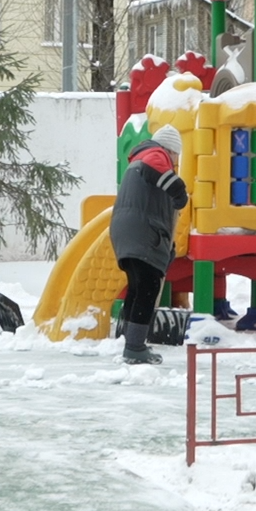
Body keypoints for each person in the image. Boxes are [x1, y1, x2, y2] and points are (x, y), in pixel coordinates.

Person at [110, 125, 188, 365]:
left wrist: (166, 245)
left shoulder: (138, 159)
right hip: (140, 231)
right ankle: (134, 346)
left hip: (127, 231)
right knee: (148, 286)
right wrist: (178, 190)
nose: (174, 161)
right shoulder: (155, 155)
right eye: (175, 155)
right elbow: (158, 171)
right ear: (170, 150)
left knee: (138, 285)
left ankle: (131, 341)